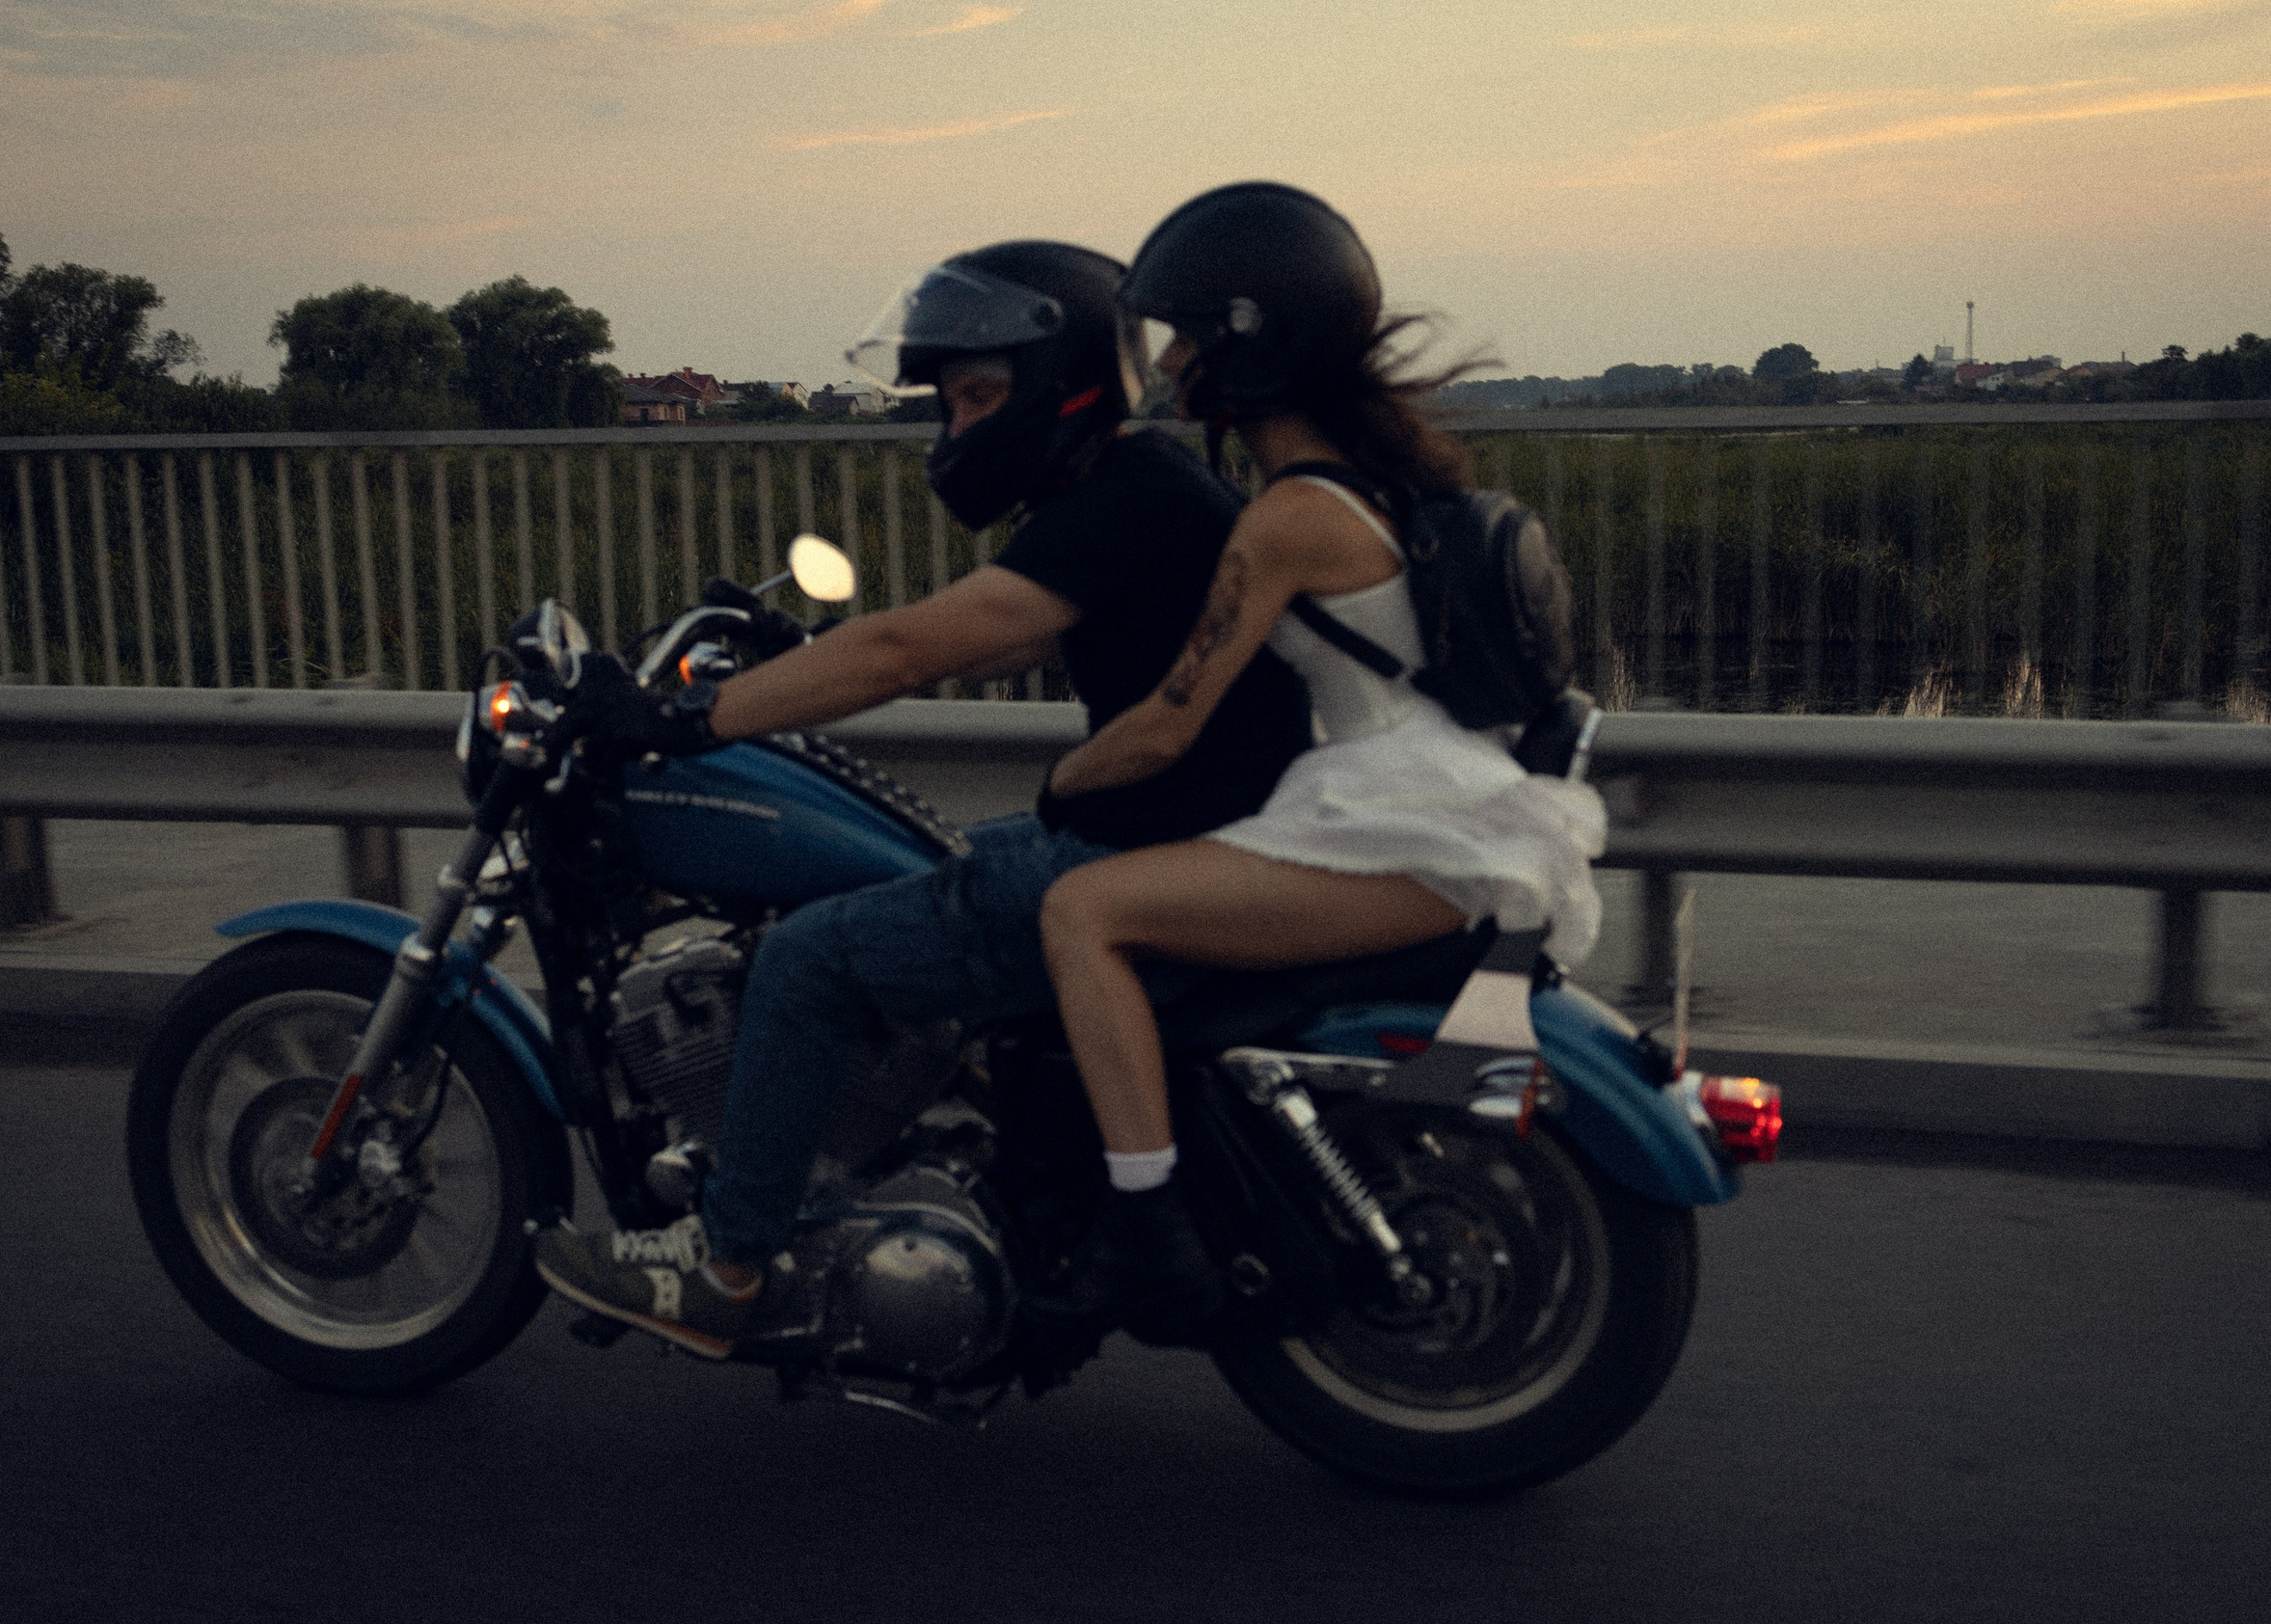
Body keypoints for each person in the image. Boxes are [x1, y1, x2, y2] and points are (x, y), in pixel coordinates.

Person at [534, 240, 1311, 1358]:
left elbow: (908, 651)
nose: (959, 428)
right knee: (927, 868)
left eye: (980, 396)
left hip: (1142, 851)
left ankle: (731, 1266)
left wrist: (687, 717)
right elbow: (985, 642)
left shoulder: (1126, 499)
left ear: (1066, 379)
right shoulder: (1139, 490)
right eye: (950, 404)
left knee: (805, 958)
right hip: (1194, 836)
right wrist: (794, 650)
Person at [1034, 183, 1608, 1332]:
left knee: (1078, 913)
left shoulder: (1289, 516)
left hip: (1393, 817)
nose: (1175, 360)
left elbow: (1167, 721)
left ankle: (1150, 1233)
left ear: (1251, 340)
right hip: (1445, 800)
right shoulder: (1376, 482)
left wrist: (1059, 785)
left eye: (1190, 334)